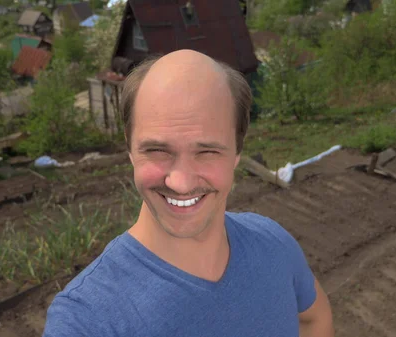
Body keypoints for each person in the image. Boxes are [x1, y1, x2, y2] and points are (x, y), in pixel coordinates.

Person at [42, 50, 334, 337]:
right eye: (157, 150)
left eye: (207, 151)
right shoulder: (86, 320)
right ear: (130, 151)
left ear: (236, 154)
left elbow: (316, 319)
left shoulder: (273, 244)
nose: (180, 183)